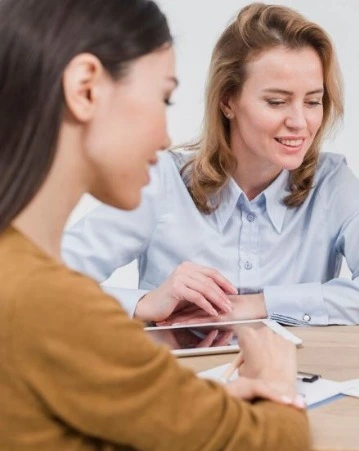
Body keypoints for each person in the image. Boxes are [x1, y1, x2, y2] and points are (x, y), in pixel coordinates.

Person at [0, 0, 310, 448]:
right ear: (86, 89)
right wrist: (278, 382)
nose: (166, 136)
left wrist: (197, 404)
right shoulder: (50, 305)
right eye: (161, 97)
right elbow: (274, 444)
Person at [62, 3, 359, 327]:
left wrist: (259, 305)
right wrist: (142, 303)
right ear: (227, 101)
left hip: (296, 387)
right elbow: (42, 279)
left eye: (313, 101)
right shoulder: (163, 181)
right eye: (277, 101)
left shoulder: (331, 183)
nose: (300, 122)